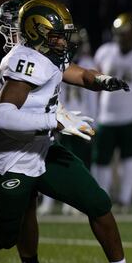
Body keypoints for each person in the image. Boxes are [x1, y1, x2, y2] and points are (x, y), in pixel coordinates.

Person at [0, 0, 132, 263]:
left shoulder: (47, 54)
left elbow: (78, 73)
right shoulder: (23, 62)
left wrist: (102, 80)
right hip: (8, 160)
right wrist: (54, 120)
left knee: (97, 202)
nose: (63, 41)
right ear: (36, 33)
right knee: (2, 236)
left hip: (41, 150)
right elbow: (4, 116)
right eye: (57, 35)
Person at [92, 13, 132, 213]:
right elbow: (94, 85)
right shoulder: (105, 52)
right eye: (121, 34)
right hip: (106, 117)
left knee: (129, 159)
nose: (124, 38)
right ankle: (101, 198)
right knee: (100, 159)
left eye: (127, 34)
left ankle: (125, 200)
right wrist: (94, 116)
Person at [39, 28, 99, 215]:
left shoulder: (87, 63)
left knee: (79, 161)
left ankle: (74, 203)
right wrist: (56, 116)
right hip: (62, 118)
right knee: (55, 160)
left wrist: (94, 121)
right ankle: (48, 202)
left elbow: (93, 98)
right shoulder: (54, 62)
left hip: (81, 119)